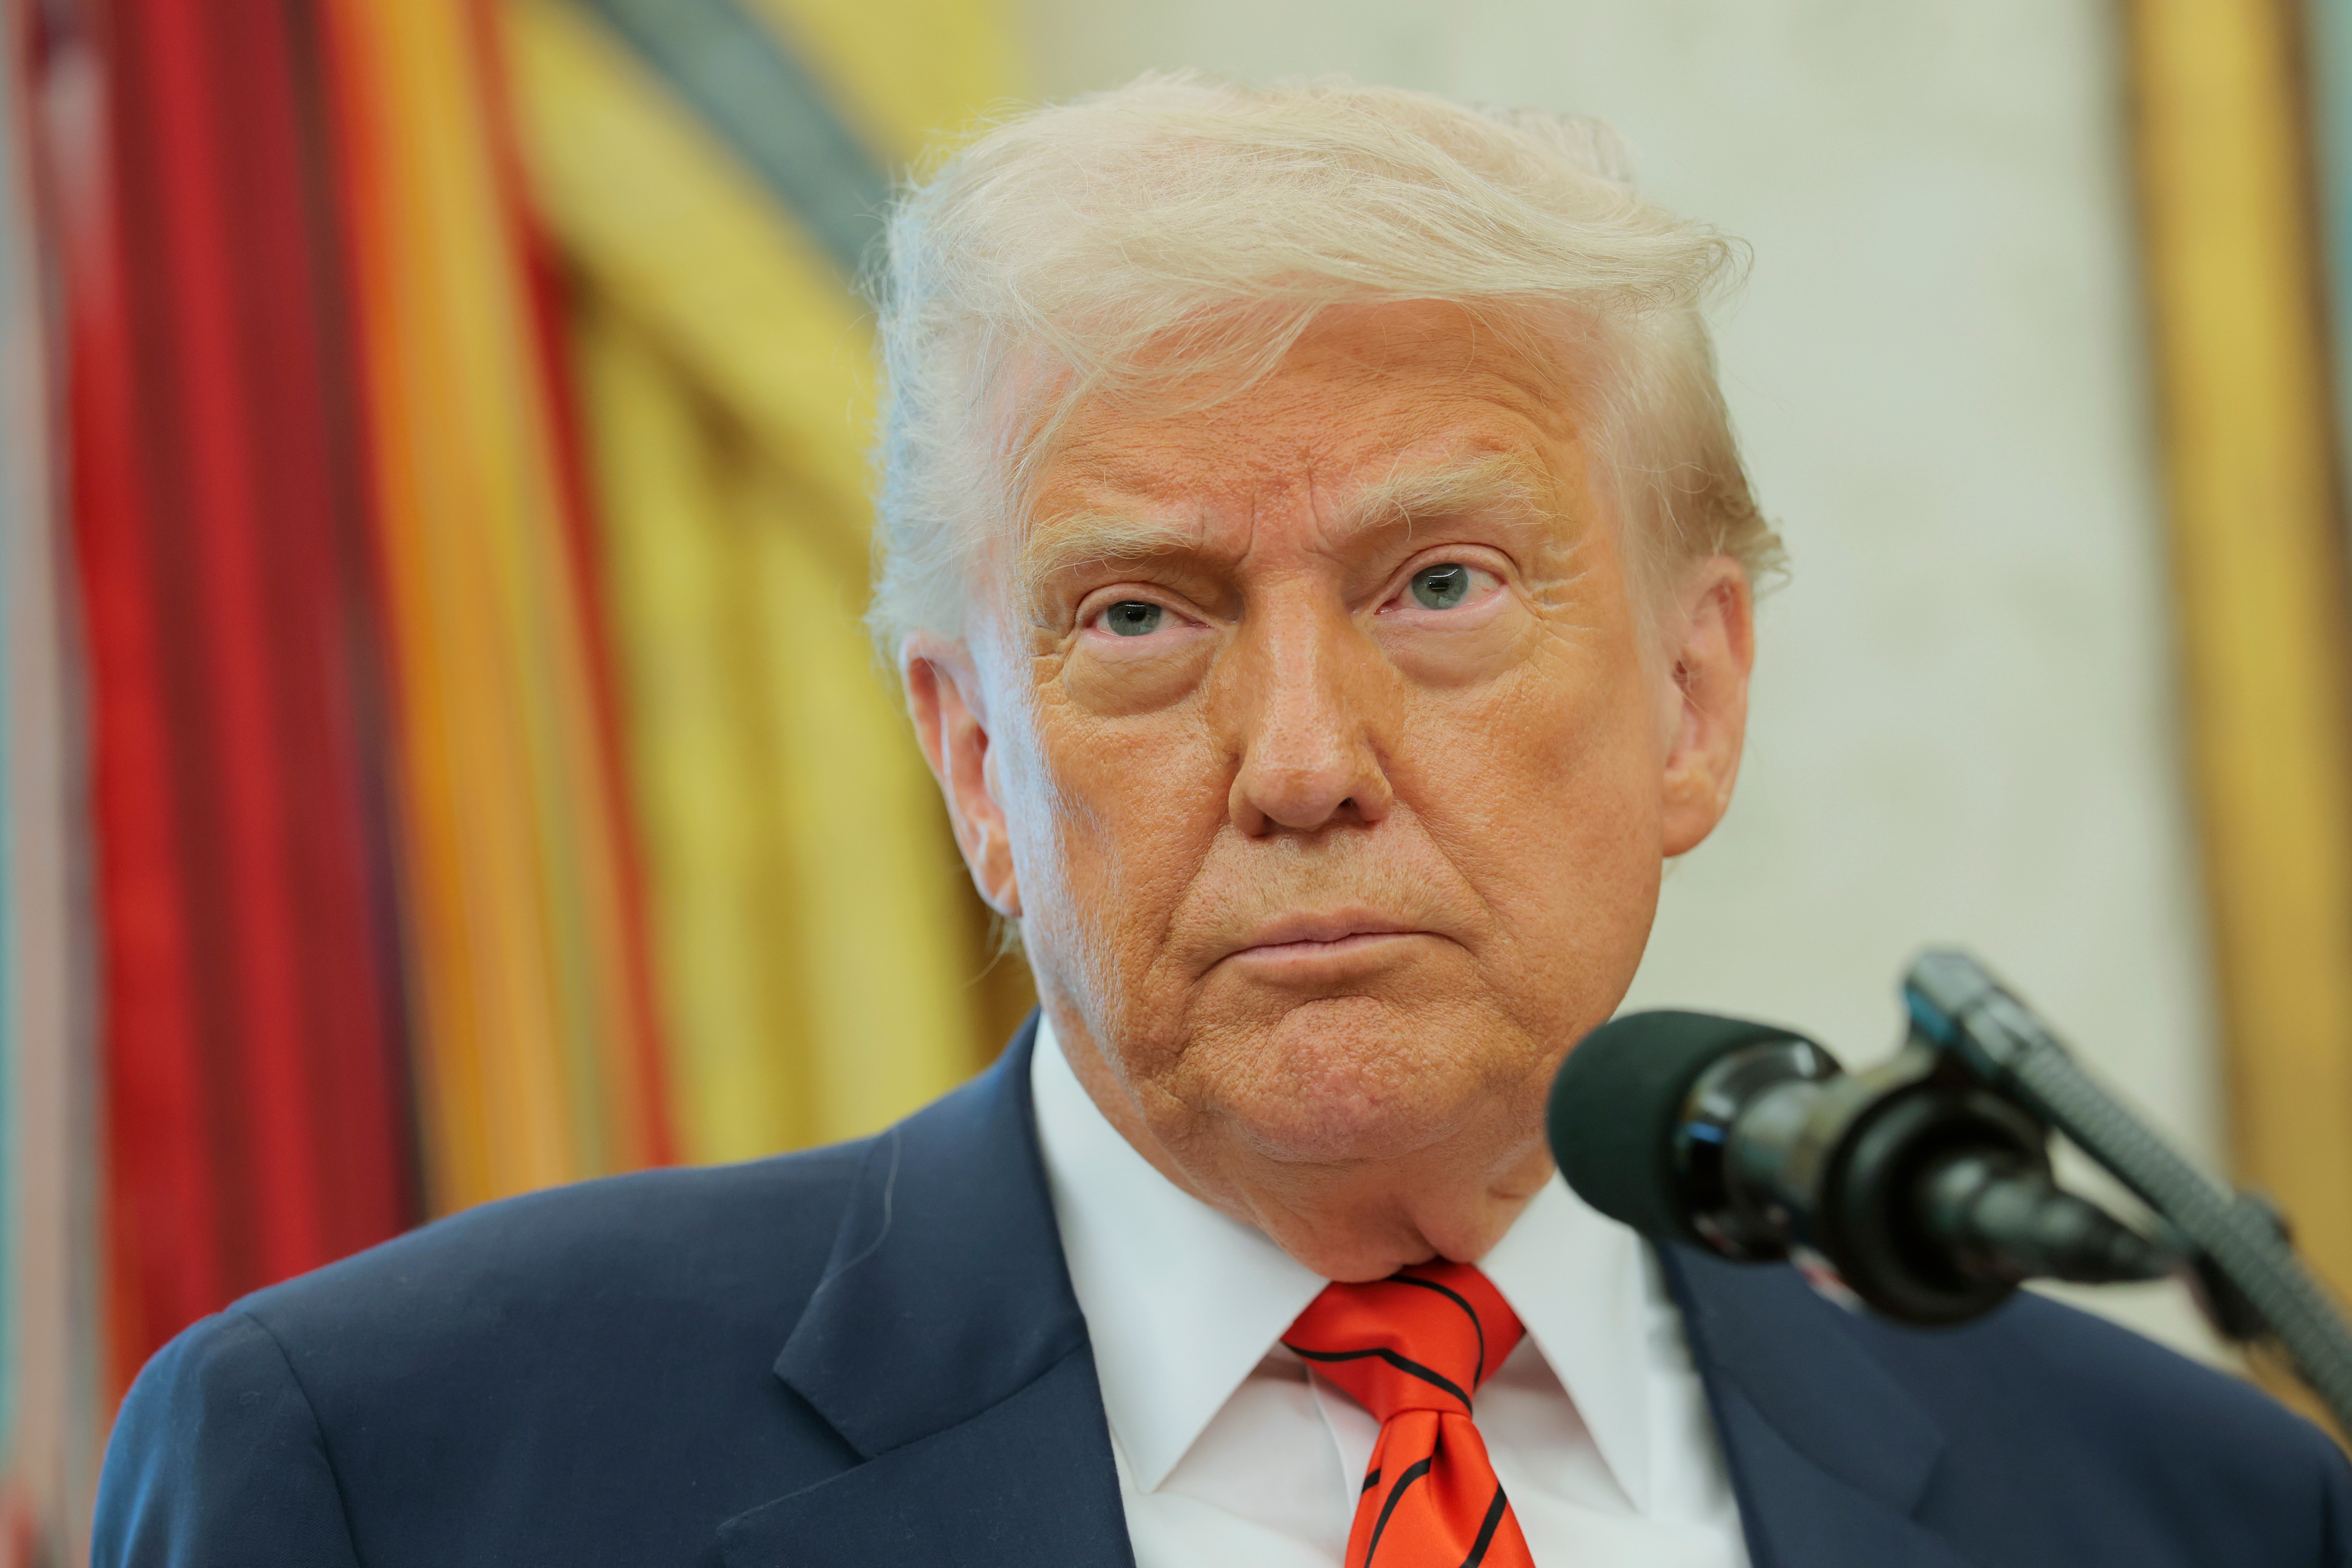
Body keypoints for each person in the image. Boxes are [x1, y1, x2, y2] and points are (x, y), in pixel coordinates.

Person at [94, 73, 2351, 1568]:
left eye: (1440, 586)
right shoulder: (401, 1476)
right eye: (1143, 613)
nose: (1299, 759)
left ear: (1693, 691)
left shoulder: (2186, 1510)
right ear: (978, 762)